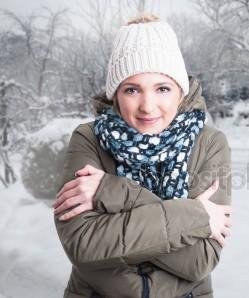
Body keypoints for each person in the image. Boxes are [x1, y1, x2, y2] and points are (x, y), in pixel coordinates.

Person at [53, 13, 232, 298]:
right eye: (132, 89)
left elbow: (200, 260)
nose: (148, 106)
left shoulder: (209, 143)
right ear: (115, 95)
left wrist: (113, 193)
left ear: (180, 92)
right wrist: (193, 215)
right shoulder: (88, 138)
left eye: (162, 88)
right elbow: (82, 244)